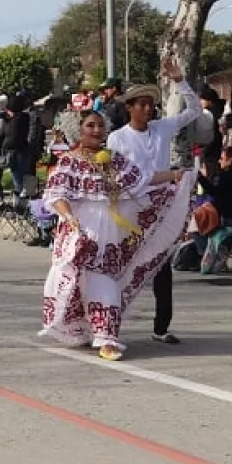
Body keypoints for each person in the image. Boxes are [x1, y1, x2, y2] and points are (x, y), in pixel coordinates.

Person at [41, 110, 196, 361]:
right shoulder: (69, 161)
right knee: (77, 283)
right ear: (78, 130)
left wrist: (175, 175)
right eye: (90, 125)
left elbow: (143, 179)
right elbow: (56, 194)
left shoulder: (114, 160)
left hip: (111, 235)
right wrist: (69, 218)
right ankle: (90, 331)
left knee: (105, 284)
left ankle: (106, 338)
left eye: (100, 125)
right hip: (82, 233)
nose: (96, 130)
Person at [105, 61, 198, 345]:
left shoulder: (162, 128)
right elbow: (121, 176)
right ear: (129, 107)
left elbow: (194, 111)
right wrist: (164, 176)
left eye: (151, 104)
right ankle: (107, 325)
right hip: (132, 209)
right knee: (121, 268)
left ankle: (161, 327)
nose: (148, 109)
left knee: (162, 267)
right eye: (142, 104)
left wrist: (181, 82)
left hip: (162, 207)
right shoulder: (118, 138)